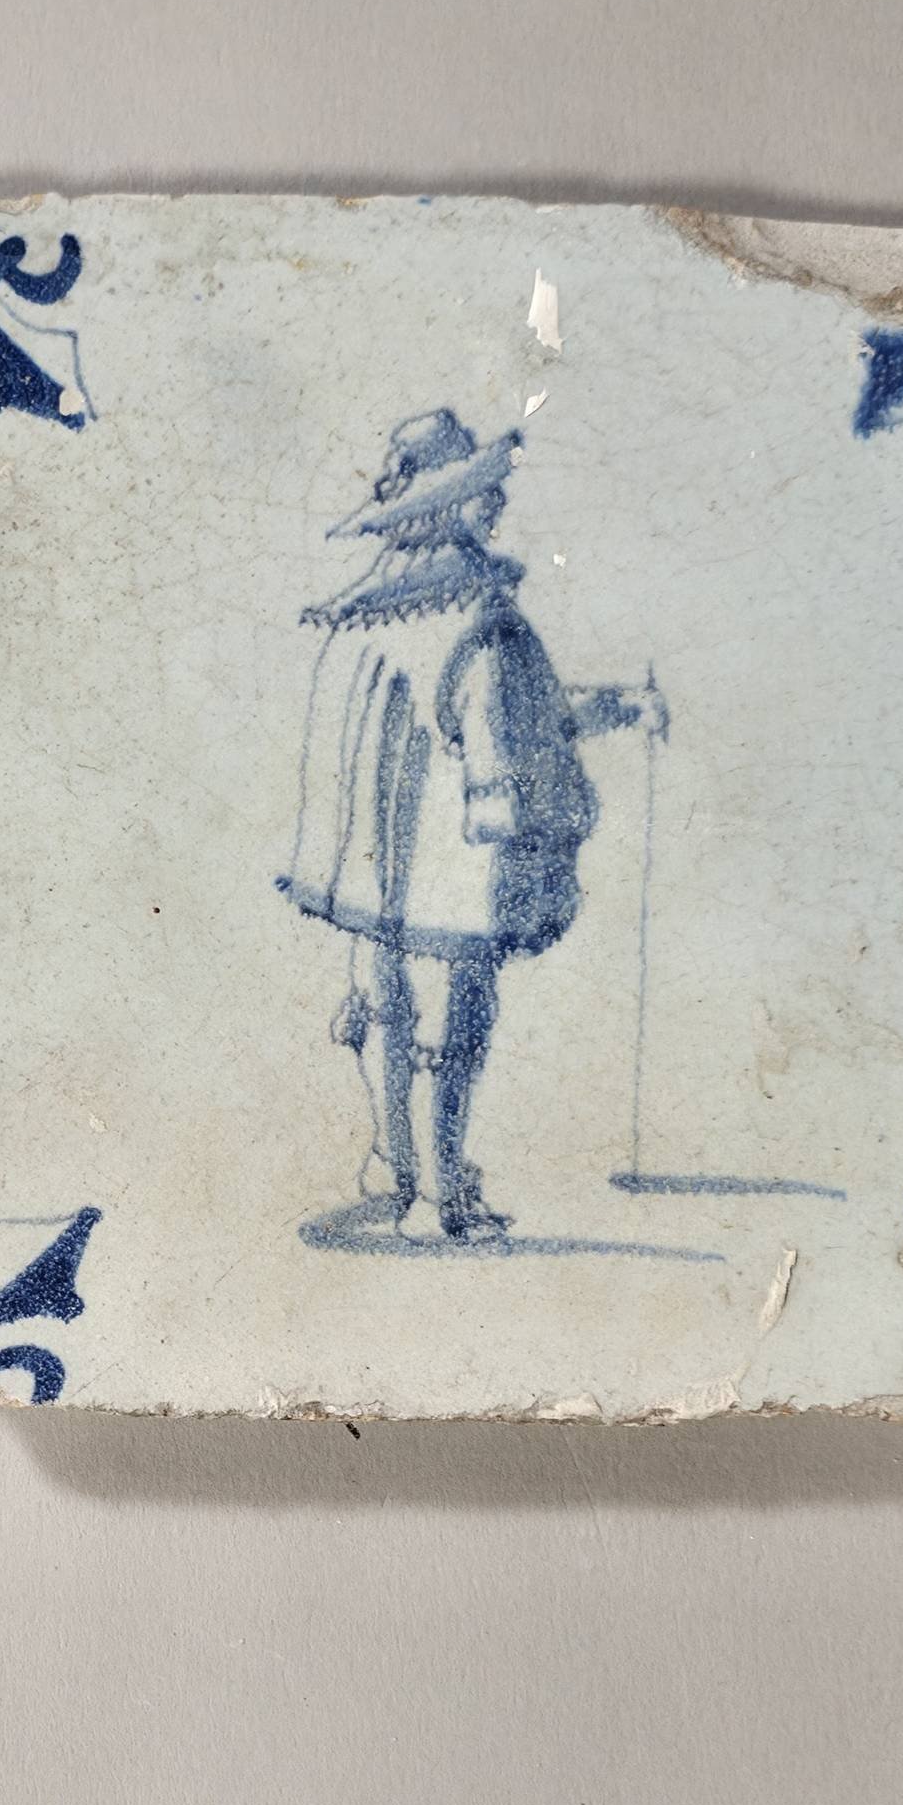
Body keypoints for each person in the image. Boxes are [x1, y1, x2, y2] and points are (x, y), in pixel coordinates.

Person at [280, 408, 616, 1240]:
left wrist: (600, 709)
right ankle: (438, 1199)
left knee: (387, 1013)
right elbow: (509, 749)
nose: (495, 505)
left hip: (373, 876)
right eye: (482, 492)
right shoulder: (483, 624)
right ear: (454, 507)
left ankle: (395, 1171)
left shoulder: (362, 620)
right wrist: (543, 823)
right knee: (450, 1030)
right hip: (455, 880)